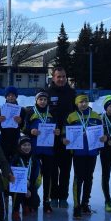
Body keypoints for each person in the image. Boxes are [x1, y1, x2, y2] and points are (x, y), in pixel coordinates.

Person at [62, 94, 107, 220]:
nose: (83, 104)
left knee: (89, 178)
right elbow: (65, 133)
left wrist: (104, 137)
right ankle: (76, 206)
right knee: (78, 178)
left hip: (92, 152)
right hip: (78, 153)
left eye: (85, 102)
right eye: (80, 102)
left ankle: (85, 203)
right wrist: (64, 139)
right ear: (77, 104)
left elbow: (103, 132)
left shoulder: (96, 116)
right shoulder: (71, 116)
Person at [23, 89, 58, 214]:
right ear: (36, 100)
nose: (43, 102)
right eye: (40, 99)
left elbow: (57, 127)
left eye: (44, 99)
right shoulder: (30, 112)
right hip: (35, 150)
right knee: (34, 176)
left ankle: (47, 202)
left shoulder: (52, 112)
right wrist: (30, 131)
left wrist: (57, 132)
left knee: (48, 176)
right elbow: (24, 128)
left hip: (48, 150)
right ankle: (32, 200)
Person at [48, 67, 76, 208]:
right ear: (53, 78)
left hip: (67, 138)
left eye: (63, 76)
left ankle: (63, 197)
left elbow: (77, 115)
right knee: (53, 171)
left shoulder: (72, 93)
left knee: (65, 170)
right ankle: (53, 196)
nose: (61, 79)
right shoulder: (47, 93)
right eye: (58, 76)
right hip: (51, 138)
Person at [9, 136, 41, 221]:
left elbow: (36, 174)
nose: (27, 147)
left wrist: (30, 187)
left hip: (30, 183)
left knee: (35, 202)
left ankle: (26, 205)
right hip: (17, 185)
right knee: (19, 192)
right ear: (19, 147)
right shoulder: (16, 158)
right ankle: (15, 211)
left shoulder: (34, 159)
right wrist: (23, 187)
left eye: (28, 145)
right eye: (24, 145)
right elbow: (11, 171)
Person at [0, 86, 26, 161]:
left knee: (15, 162)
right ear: (6, 97)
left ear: (16, 96)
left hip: (15, 140)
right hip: (4, 140)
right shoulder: (1, 109)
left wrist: (20, 121)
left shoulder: (21, 110)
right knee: (4, 163)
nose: (11, 97)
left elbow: (23, 126)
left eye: (13, 95)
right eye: (8, 95)